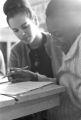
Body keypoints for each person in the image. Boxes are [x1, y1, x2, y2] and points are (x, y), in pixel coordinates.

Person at [3, 0, 60, 120]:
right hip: (28, 112)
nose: (22, 34)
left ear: (35, 20)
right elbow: (14, 91)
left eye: (25, 26)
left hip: (59, 110)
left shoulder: (58, 43)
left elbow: (67, 84)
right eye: (16, 30)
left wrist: (34, 78)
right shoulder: (15, 51)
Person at [45, 0, 81, 120]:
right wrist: (35, 78)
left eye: (58, 34)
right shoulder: (71, 47)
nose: (54, 41)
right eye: (51, 35)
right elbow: (67, 83)